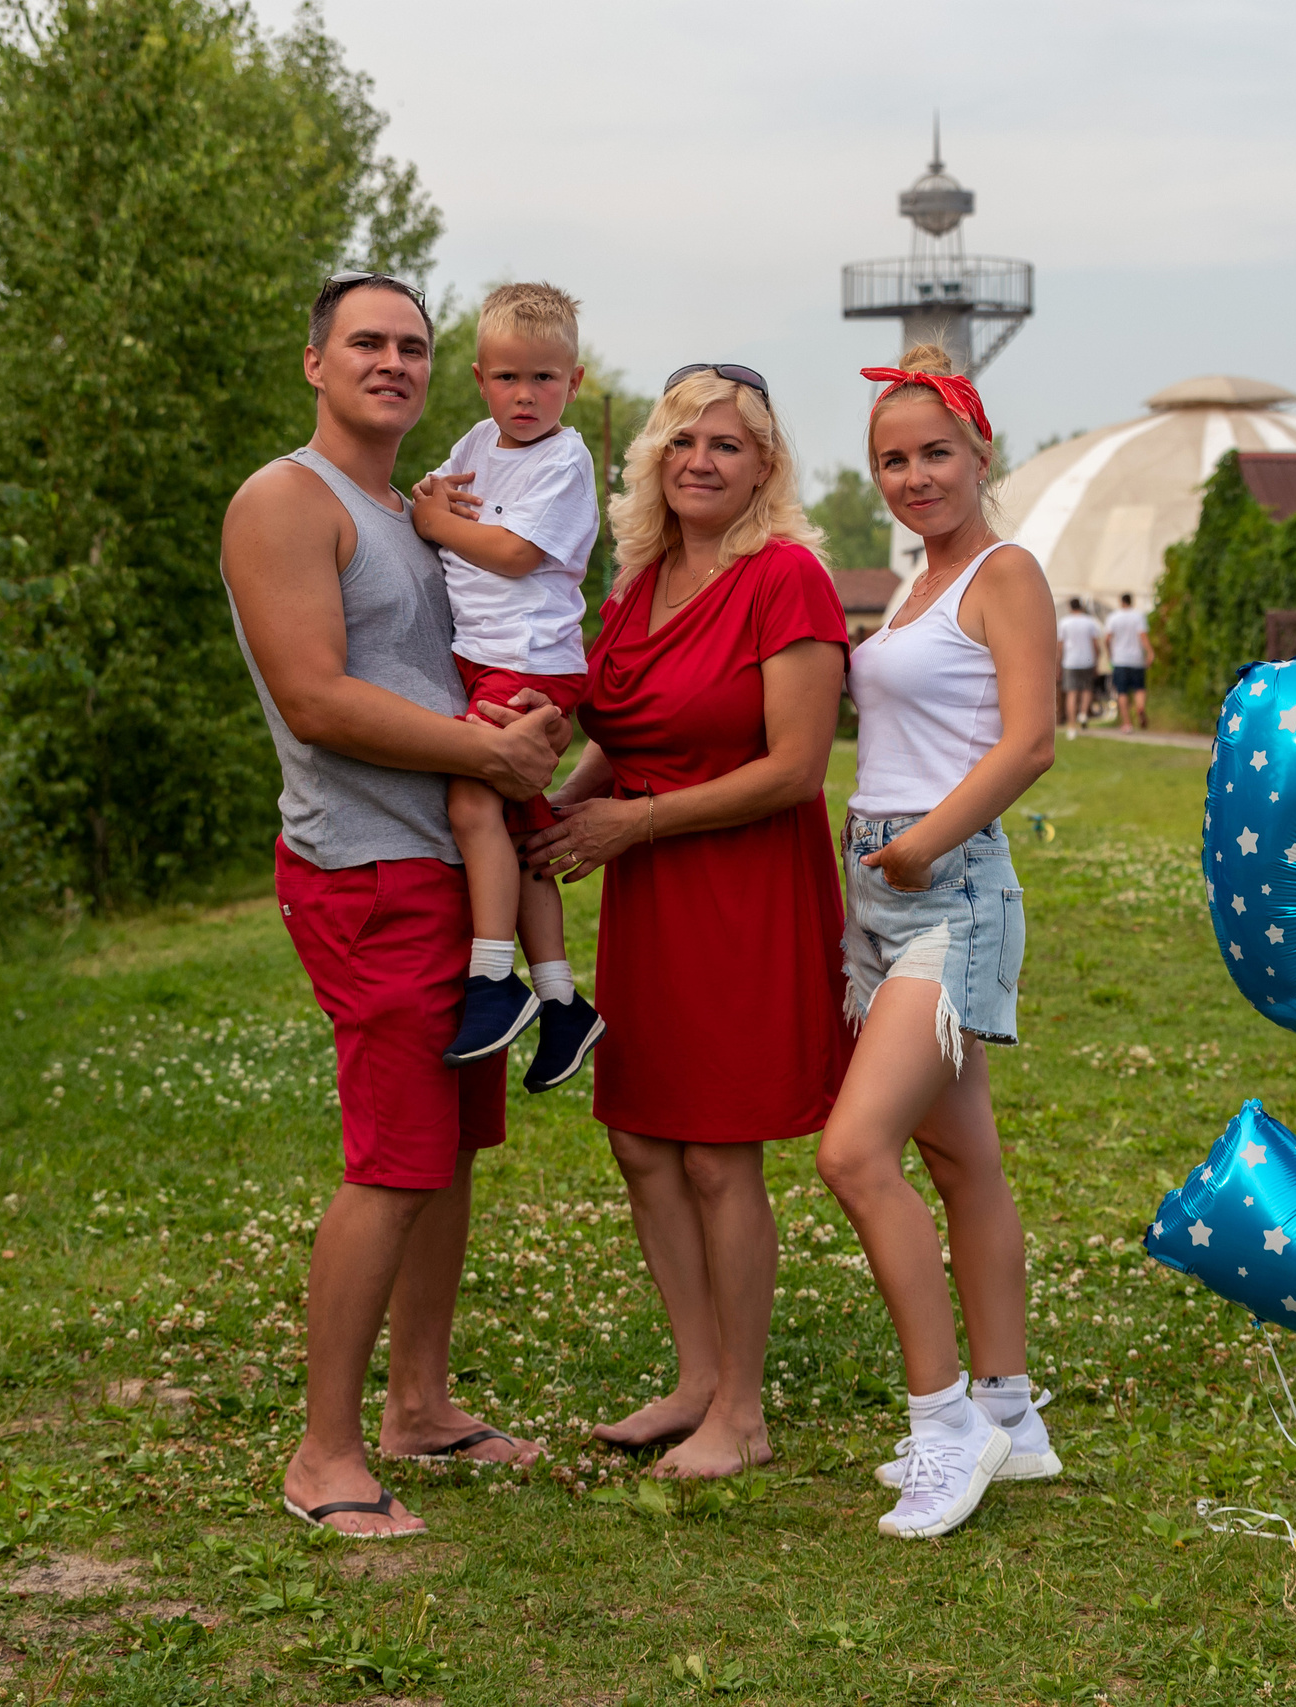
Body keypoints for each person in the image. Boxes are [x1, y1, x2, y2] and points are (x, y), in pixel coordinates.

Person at [220, 272, 569, 1539]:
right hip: (368, 869)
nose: (395, 362)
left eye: (414, 346)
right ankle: (324, 1454)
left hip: (452, 868)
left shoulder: (414, 509)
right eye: (367, 341)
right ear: (313, 361)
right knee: (395, 1159)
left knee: (452, 1152)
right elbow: (314, 696)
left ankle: (421, 1406)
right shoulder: (283, 502)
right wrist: (485, 755)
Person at [519, 363, 851, 1479]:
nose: (701, 461)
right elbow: (632, 727)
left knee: (717, 1153)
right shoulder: (636, 581)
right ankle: (697, 1380)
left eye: (728, 444)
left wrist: (632, 824)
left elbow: (796, 769)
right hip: (649, 888)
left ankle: (744, 1415)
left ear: (765, 466)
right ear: (654, 459)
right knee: (641, 1141)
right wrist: (567, 808)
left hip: (742, 883)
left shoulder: (786, 578)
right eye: (682, 442)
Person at [819, 347, 1061, 1539]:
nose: (914, 476)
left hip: (947, 885)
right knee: (962, 1163)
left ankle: (942, 1425)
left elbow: (1027, 744)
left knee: (854, 1155)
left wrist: (919, 851)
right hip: (884, 886)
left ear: (980, 456)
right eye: (892, 460)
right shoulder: (916, 585)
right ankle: (1013, 1418)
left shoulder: (1003, 572)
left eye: (934, 453)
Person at [411, 282, 606, 1092]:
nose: (524, 397)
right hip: (483, 652)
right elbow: (435, 492)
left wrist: (436, 524)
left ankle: (492, 978)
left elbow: (519, 554)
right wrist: (431, 500)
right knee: (519, 830)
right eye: (506, 378)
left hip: (528, 657)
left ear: (576, 382)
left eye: (544, 380)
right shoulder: (475, 443)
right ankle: (561, 1000)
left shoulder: (564, 460)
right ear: (479, 376)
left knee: (468, 799)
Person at [1058, 596, 1102, 736]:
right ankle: (1083, 713)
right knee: (1087, 690)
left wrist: (1059, 663)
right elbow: (1095, 644)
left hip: (1070, 661)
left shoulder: (1064, 623)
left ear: (1070, 607)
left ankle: (1071, 726)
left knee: (1071, 693)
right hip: (1087, 660)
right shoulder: (1090, 622)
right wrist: (1097, 660)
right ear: (1082, 606)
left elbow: (1060, 646)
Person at [1106, 592, 1150, 731]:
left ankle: (1127, 723)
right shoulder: (1138, 616)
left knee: (1122, 691)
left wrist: (1110, 653)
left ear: (1121, 602)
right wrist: (1150, 652)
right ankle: (1140, 708)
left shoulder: (1114, 617)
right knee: (1139, 688)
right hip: (1136, 659)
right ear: (1132, 602)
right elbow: (1142, 636)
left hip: (1120, 659)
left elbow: (1107, 638)